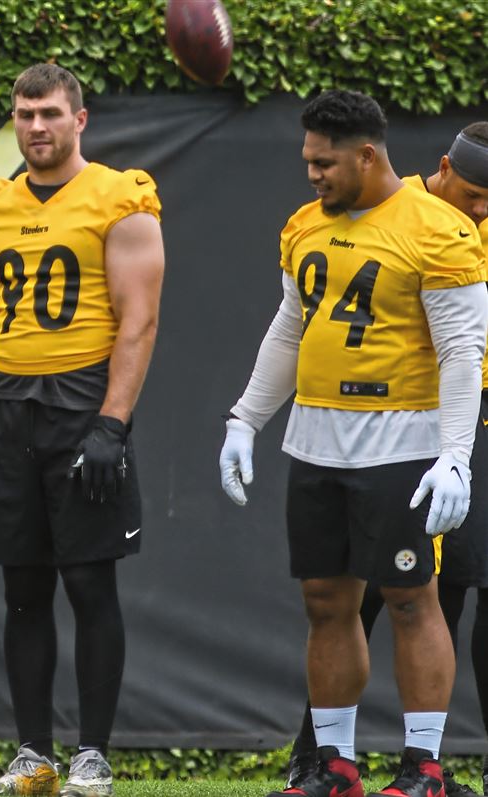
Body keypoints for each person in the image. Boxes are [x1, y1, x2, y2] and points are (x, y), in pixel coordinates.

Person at [218, 90, 488, 797]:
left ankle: (423, 766)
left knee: (410, 598)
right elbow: (289, 328)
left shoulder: (439, 228)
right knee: (325, 600)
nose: (312, 173)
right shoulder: (304, 225)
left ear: (366, 155)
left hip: (402, 435)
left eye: (324, 161)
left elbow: (463, 351)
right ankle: (334, 765)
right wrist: (245, 419)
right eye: (308, 160)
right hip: (316, 437)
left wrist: (454, 454)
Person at [0, 63, 164, 797]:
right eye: (25, 114)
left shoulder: (120, 196)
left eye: (49, 114)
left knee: (91, 583)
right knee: (22, 588)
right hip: (7, 409)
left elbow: (139, 322)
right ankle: (32, 755)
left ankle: (91, 755)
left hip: (81, 403)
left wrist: (112, 424)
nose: (36, 126)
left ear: (80, 120)